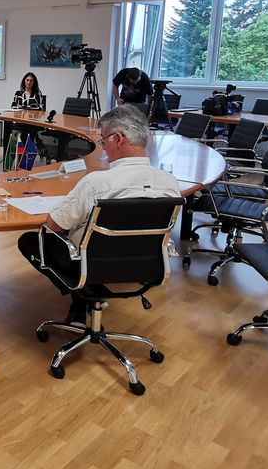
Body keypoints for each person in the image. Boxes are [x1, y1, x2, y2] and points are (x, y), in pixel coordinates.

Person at [17, 104, 180, 322]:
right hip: (145, 265)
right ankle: (88, 296)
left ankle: (84, 293)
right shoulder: (170, 183)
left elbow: (54, 224)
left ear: (119, 139)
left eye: (103, 141)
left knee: (30, 240)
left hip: (91, 264)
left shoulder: (97, 182)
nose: (103, 148)